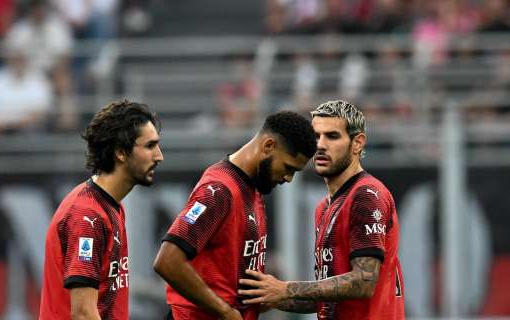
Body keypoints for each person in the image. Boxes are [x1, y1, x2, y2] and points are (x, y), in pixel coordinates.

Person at [238, 100, 405, 319]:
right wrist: (271, 297)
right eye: (316, 137)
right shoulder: (325, 207)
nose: (321, 145)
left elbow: (364, 281)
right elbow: (330, 297)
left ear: (357, 143)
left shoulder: (365, 196)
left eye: (332, 136)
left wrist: (285, 288)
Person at [153, 110, 317, 320]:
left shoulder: (254, 188)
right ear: (268, 146)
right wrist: (225, 311)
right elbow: (168, 261)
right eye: (288, 168)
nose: (288, 178)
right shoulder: (219, 190)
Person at [39, 100, 163, 319]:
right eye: (149, 146)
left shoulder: (112, 207)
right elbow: (84, 313)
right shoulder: (87, 216)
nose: (159, 156)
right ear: (121, 153)